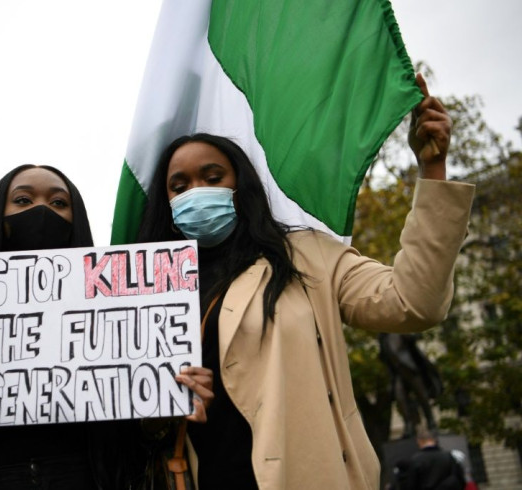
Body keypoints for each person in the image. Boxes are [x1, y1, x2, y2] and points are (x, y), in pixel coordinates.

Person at [134, 74, 475, 489]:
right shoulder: (149, 292)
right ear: (165, 202)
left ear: (241, 186)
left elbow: (413, 302)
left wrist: (432, 169)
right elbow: (142, 425)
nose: (197, 192)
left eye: (212, 177)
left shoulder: (310, 257)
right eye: (180, 185)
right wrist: (163, 406)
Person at [0, 164, 213, 489]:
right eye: (23, 200)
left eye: (59, 203)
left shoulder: (117, 307)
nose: (42, 211)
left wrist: (165, 403)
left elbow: (135, 446)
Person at [401, 428, 466, 490]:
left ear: (419, 441)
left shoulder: (416, 460)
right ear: (434, 440)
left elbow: (411, 485)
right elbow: (460, 480)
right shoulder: (449, 457)